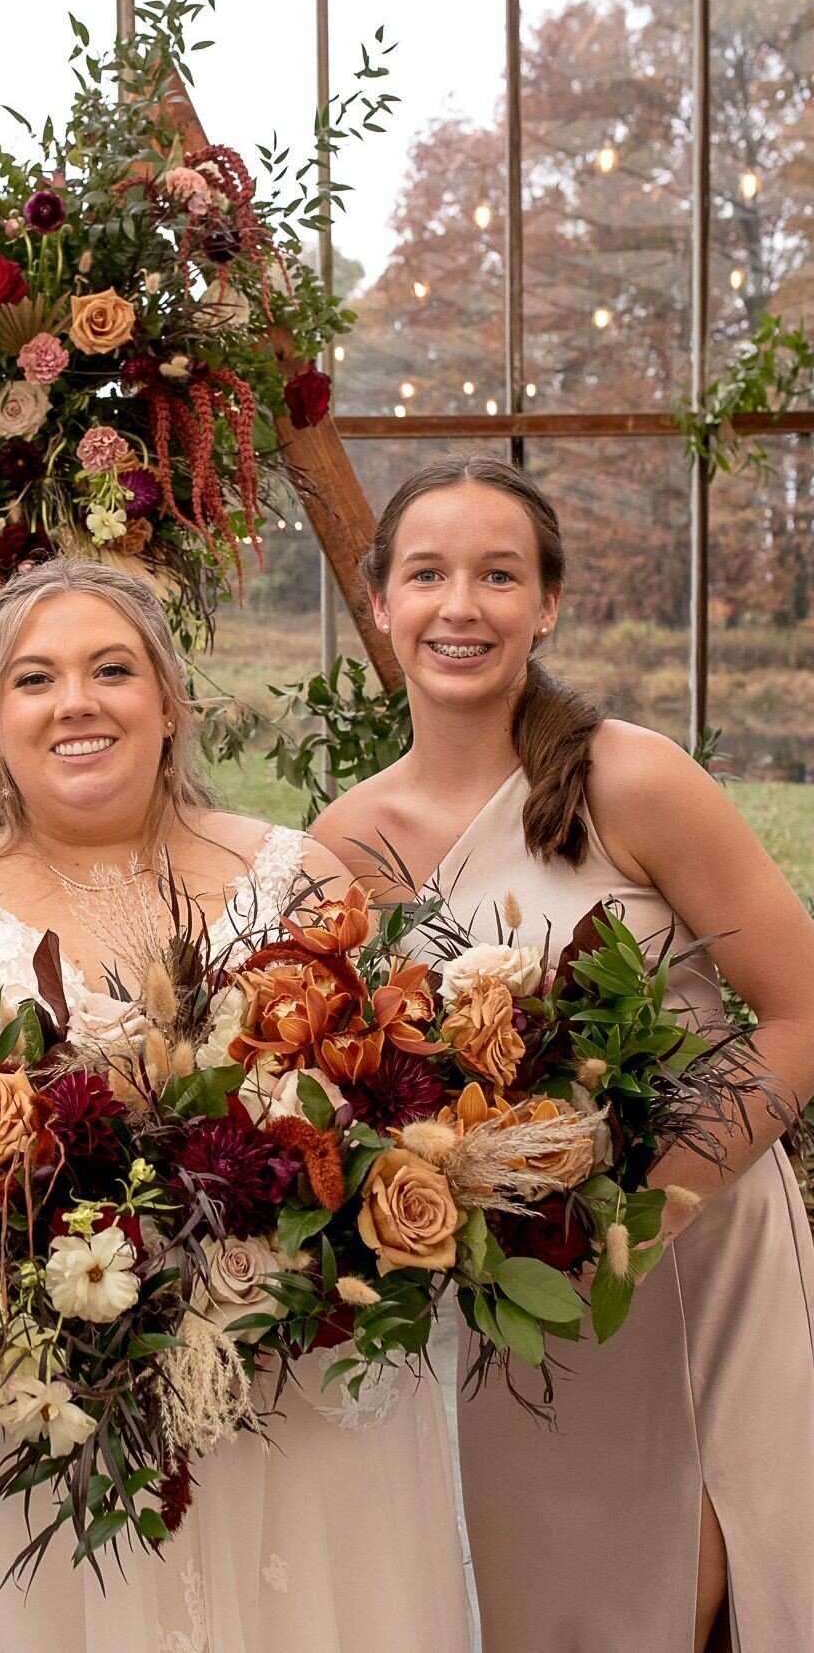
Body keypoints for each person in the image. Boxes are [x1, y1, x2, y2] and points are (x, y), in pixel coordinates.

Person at [0, 557, 473, 1653]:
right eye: (34, 679)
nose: (75, 700)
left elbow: (384, 1099)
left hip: (280, 1397)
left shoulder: (295, 872)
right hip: (32, 1422)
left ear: (166, 702)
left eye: (110, 668)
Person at [312, 454, 814, 1653]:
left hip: (687, 1249)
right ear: (376, 602)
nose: (461, 606)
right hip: (504, 1283)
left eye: (498, 575)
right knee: (529, 1586)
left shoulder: (628, 777)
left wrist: (644, 1213)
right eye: (427, 574)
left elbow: (798, 1011)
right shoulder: (346, 839)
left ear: (545, 604)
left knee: (688, 1579)